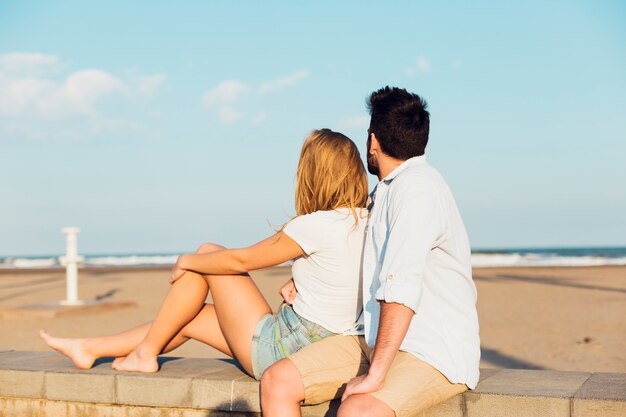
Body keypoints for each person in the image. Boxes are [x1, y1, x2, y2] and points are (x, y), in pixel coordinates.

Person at [40, 128, 369, 380]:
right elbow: (340, 271)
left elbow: (240, 260)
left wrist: (187, 261)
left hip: (285, 351)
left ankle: (144, 354)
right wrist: (297, 278)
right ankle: (90, 348)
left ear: (312, 174)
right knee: (189, 317)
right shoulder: (365, 220)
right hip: (322, 347)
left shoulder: (315, 225)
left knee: (209, 253)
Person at [260, 87, 480, 417]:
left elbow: (400, 290)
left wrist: (375, 375)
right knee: (278, 381)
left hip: (431, 350)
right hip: (373, 340)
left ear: (373, 142)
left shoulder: (418, 191)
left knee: (357, 410)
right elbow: (348, 247)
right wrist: (298, 277)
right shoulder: (385, 192)